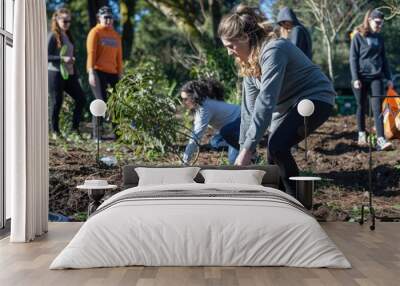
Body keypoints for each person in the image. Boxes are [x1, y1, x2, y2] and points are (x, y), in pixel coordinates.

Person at [218, 4, 335, 197]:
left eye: (231, 46)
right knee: (273, 156)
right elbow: (249, 110)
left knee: (277, 146)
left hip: (315, 98)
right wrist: (244, 148)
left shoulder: (273, 50)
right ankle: (278, 201)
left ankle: (297, 202)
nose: (229, 52)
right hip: (288, 107)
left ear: (245, 38)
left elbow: (266, 102)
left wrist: (248, 150)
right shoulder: (249, 65)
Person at [349, 9, 393, 151]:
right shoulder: (358, 36)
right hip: (361, 78)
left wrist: (389, 77)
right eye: (377, 23)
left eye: (381, 24)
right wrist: (355, 78)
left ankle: (380, 140)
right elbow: (353, 58)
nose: (379, 26)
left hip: (377, 77)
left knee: (377, 108)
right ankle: (362, 134)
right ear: (369, 20)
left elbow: (384, 59)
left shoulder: (380, 38)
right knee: (361, 106)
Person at [180, 79, 241, 165]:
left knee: (234, 161)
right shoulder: (202, 105)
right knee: (215, 142)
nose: (183, 102)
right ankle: (245, 148)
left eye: (185, 99)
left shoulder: (204, 108)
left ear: (193, 97)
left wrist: (185, 161)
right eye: (182, 99)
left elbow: (196, 136)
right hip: (229, 128)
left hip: (241, 121)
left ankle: (250, 152)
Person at [48, 7, 86, 137]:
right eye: (64, 21)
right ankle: (54, 131)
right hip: (55, 73)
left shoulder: (68, 35)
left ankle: (74, 130)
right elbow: (45, 56)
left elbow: (71, 57)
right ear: (57, 20)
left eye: (69, 21)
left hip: (69, 74)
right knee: (56, 102)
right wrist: (62, 58)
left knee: (81, 99)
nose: (67, 23)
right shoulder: (53, 36)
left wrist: (76, 74)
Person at [86, 6, 123, 140]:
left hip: (113, 72)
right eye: (105, 17)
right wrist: (91, 72)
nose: (108, 20)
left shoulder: (116, 35)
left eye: (110, 17)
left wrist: (120, 73)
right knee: (100, 102)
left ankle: (118, 135)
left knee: (116, 102)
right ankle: (97, 135)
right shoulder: (95, 32)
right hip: (97, 71)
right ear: (99, 18)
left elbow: (119, 57)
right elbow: (91, 53)